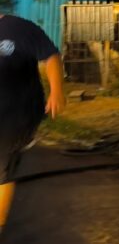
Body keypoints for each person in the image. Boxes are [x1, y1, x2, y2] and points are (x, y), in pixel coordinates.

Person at [0, 14, 65, 234]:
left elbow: (51, 56)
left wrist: (56, 91)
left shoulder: (18, 28)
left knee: (2, 167)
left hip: (17, 112)